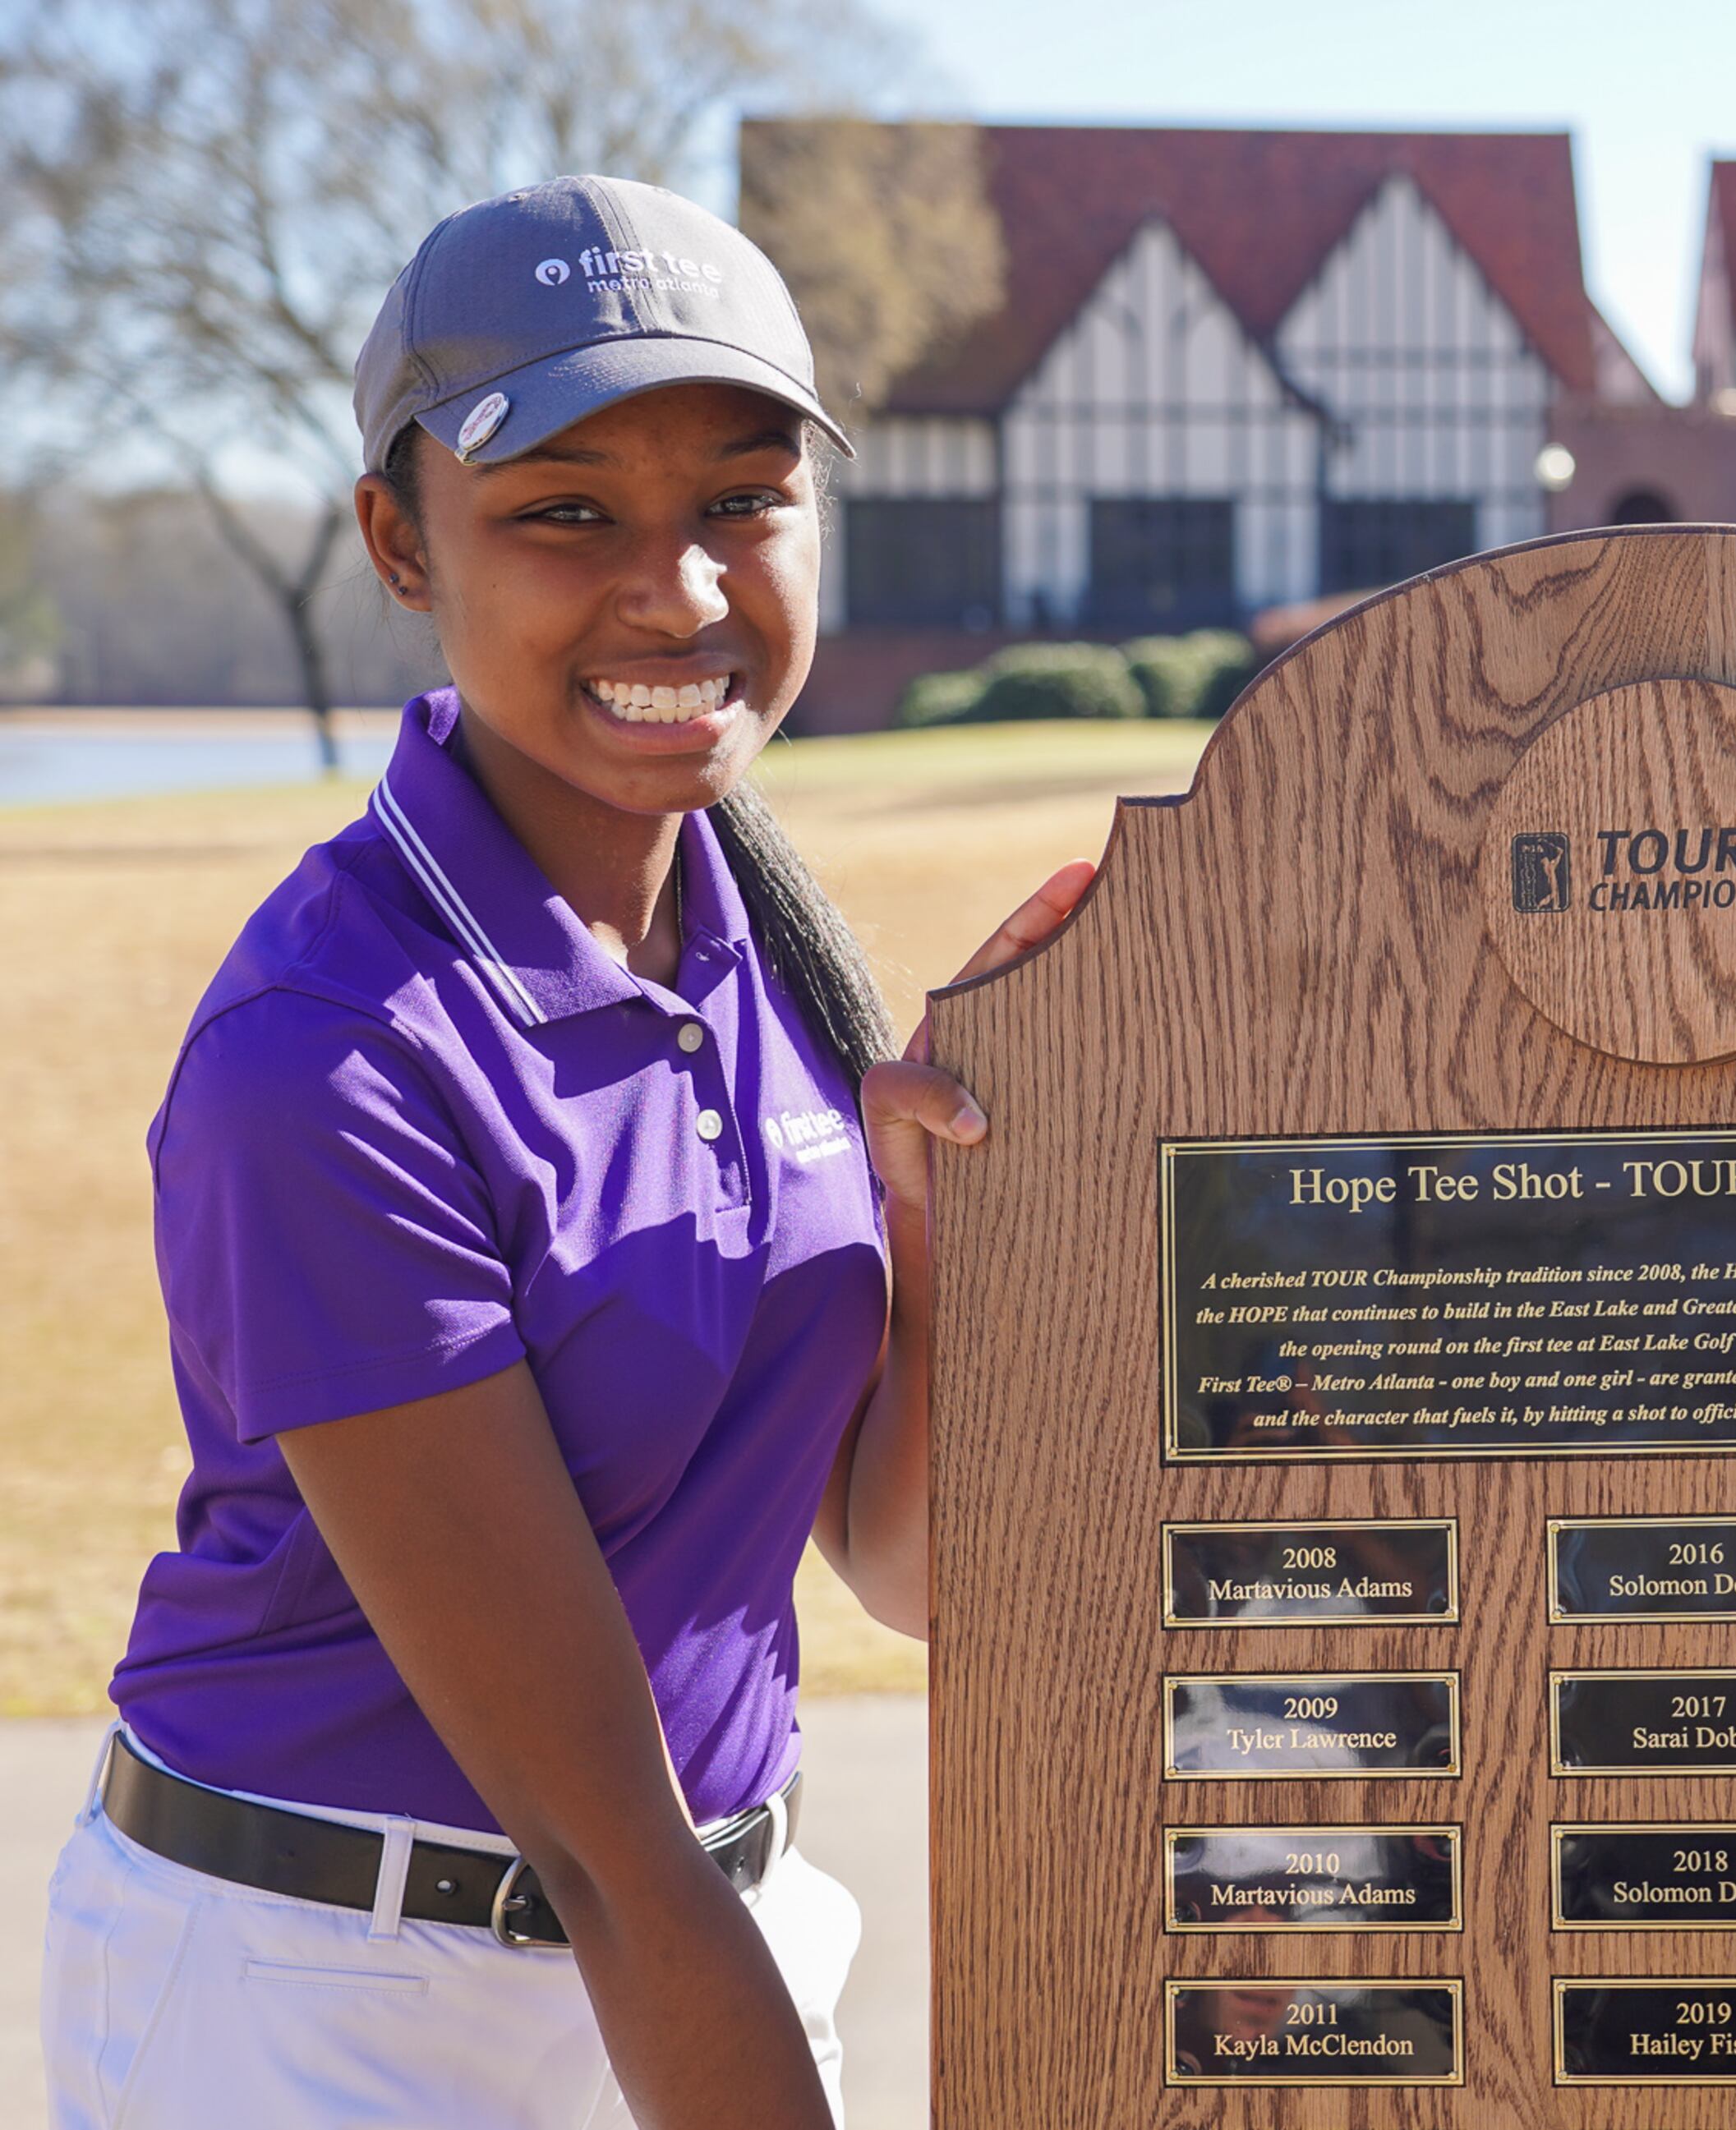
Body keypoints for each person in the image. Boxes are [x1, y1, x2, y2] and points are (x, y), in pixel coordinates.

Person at [41, 177, 1089, 2127]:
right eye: (566, 511)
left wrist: (930, 1229)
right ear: (398, 540)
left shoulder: (769, 944)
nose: (680, 591)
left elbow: (906, 1565)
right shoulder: (329, 1058)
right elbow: (595, 1826)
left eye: (742, 500)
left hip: (702, 1936)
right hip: (326, 1996)